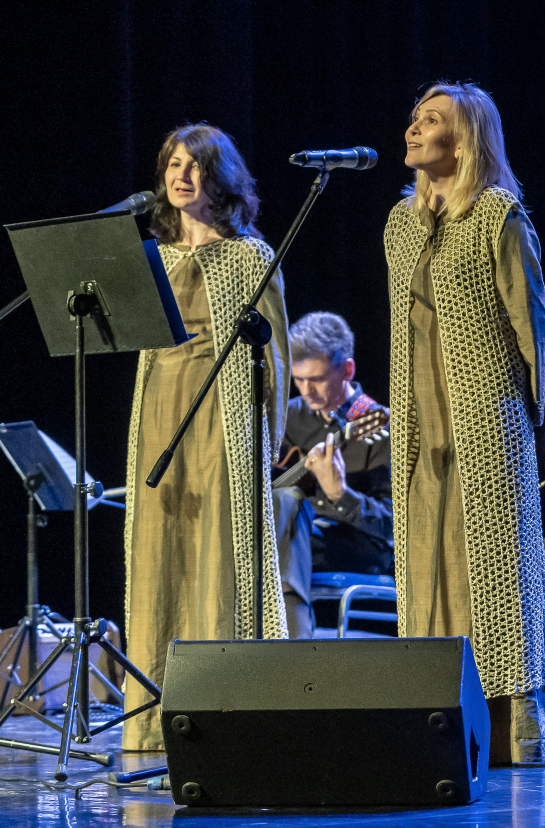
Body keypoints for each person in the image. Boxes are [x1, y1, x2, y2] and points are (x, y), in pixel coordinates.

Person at [384, 81, 545, 765]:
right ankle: (432, 717)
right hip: (420, 416)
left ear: (466, 138)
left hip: (487, 417)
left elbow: (531, 323)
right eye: (414, 117)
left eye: (432, 120)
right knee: (428, 562)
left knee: (495, 570)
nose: (413, 129)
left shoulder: (497, 215)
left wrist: (516, 419)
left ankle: (513, 725)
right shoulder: (400, 225)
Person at [123, 124, 290, 751]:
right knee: (160, 553)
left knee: (217, 552)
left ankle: (224, 710)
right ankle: (149, 721)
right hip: (160, 411)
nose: (179, 173)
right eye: (172, 162)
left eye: (194, 164)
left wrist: (265, 443)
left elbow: (275, 357)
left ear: (220, 180)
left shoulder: (248, 256)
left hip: (223, 417)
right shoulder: (152, 257)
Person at [273, 312, 393, 639]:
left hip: (359, 546)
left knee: (283, 522)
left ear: (348, 370)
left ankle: (292, 642)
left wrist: (340, 494)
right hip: (300, 540)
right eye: (299, 379)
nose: (306, 391)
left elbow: (392, 528)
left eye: (318, 379)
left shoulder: (381, 425)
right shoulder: (288, 417)